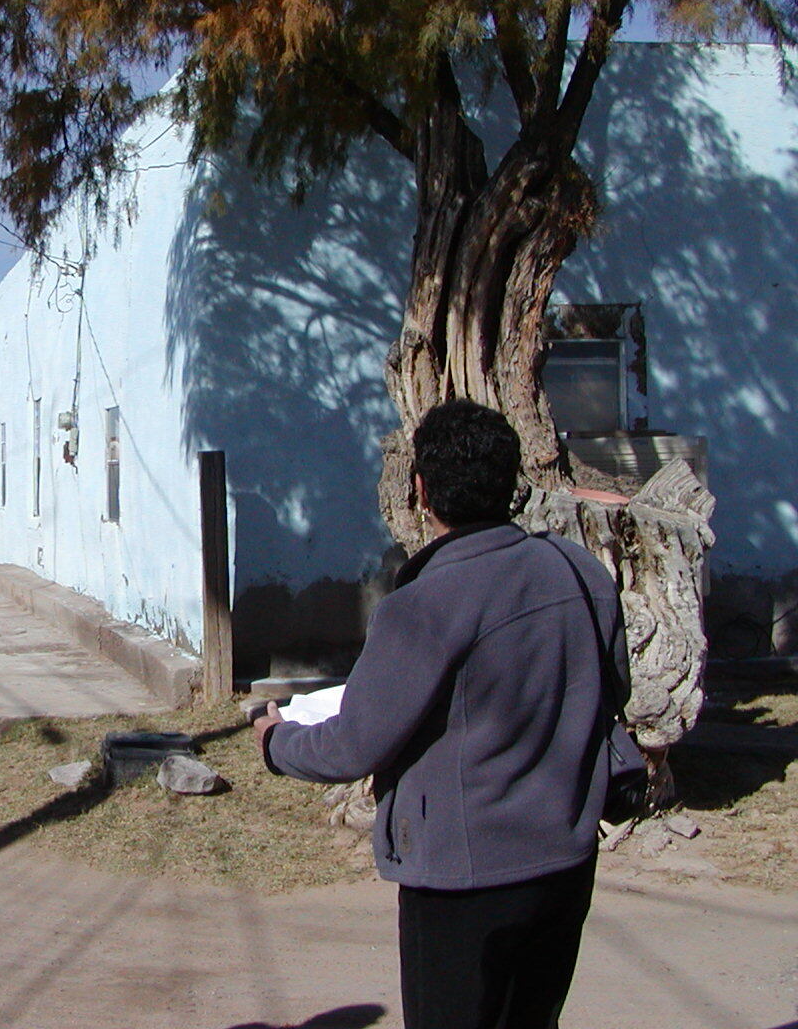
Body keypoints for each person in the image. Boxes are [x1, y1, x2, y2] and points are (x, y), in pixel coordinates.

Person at [254, 399, 627, 1029]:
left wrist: (276, 741)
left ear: (421, 490)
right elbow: (611, 688)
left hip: (462, 880)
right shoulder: (581, 573)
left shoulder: (422, 606)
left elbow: (353, 746)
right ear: (513, 482)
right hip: (565, 860)